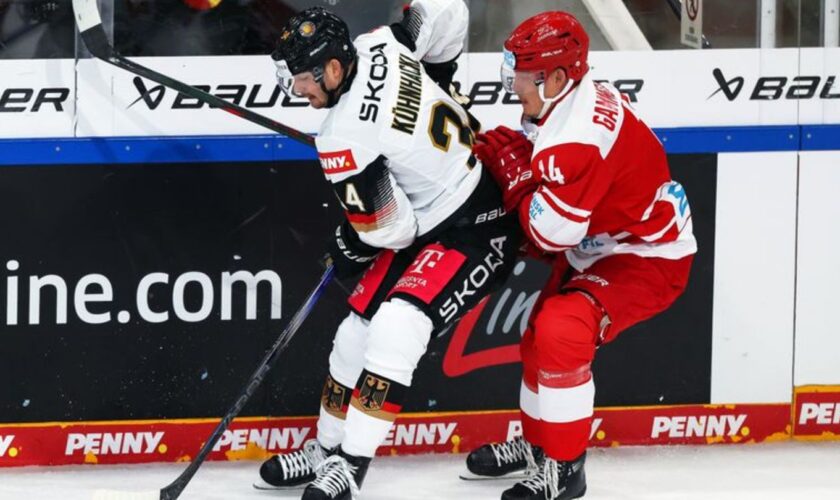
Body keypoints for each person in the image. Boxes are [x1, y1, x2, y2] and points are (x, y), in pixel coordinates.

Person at [256, 2, 521, 499]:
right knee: (353, 335)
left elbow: (393, 230)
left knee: (398, 327)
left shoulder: (342, 138)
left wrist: (352, 239)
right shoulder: (384, 42)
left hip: (477, 228)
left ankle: (350, 468)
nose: (297, 90)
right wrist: (440, 78)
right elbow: (449, 8)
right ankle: (328, 448)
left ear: (333, 68)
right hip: (435, 218)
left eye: (302, 79)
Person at [463, 11, 697, 500]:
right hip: (606, 239)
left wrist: (518, 177)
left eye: (522, 73)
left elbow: (549, 235)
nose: (512, 83)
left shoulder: (577, 141)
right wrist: (511, 156)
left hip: (647, 254)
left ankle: (566, 471)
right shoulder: (569, 99)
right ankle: (538, 445)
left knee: (561, 328)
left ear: (557, 77)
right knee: (537, 334)